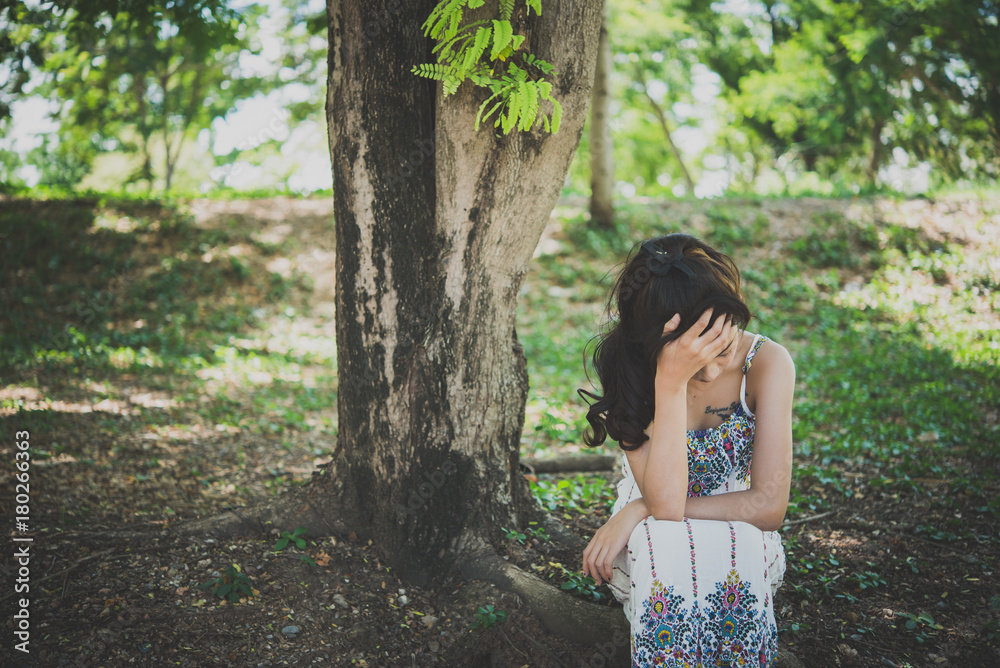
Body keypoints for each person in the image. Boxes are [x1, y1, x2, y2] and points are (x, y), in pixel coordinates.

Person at [579, 233, 794, 667]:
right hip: (653, 533)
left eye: (722, 348)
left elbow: (768, 507)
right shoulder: (629, 367)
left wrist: (639, 507)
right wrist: (670, 382)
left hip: (734, 521)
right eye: (693, 357)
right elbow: (666, 506)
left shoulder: (768, 363)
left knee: (740, 543)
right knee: (663, 540)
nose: (711, 371)